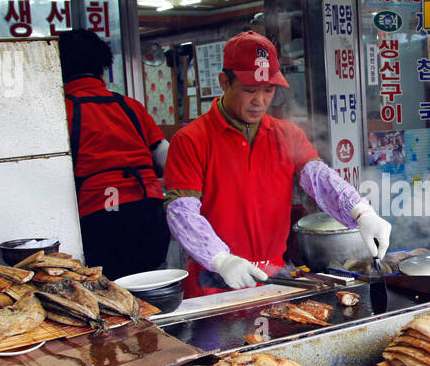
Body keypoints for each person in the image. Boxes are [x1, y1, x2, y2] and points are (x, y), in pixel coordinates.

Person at [165, 31, 392, 295]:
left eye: (268, 90)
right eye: (250, 90)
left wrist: (361, 212)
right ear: (224, 82)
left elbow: (319, 177)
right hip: (215, 281)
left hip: (274, 279)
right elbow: (181, 211)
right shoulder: (191, 139)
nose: (260, 101)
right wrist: (220, 259)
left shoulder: (287, 134)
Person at [60, 28, 170, 279]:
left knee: (110, 297)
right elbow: (165, 155)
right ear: (103, 67)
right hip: (148, 213)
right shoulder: (129, 106)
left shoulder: (62, 110)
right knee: (151, 290)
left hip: (100, 218)